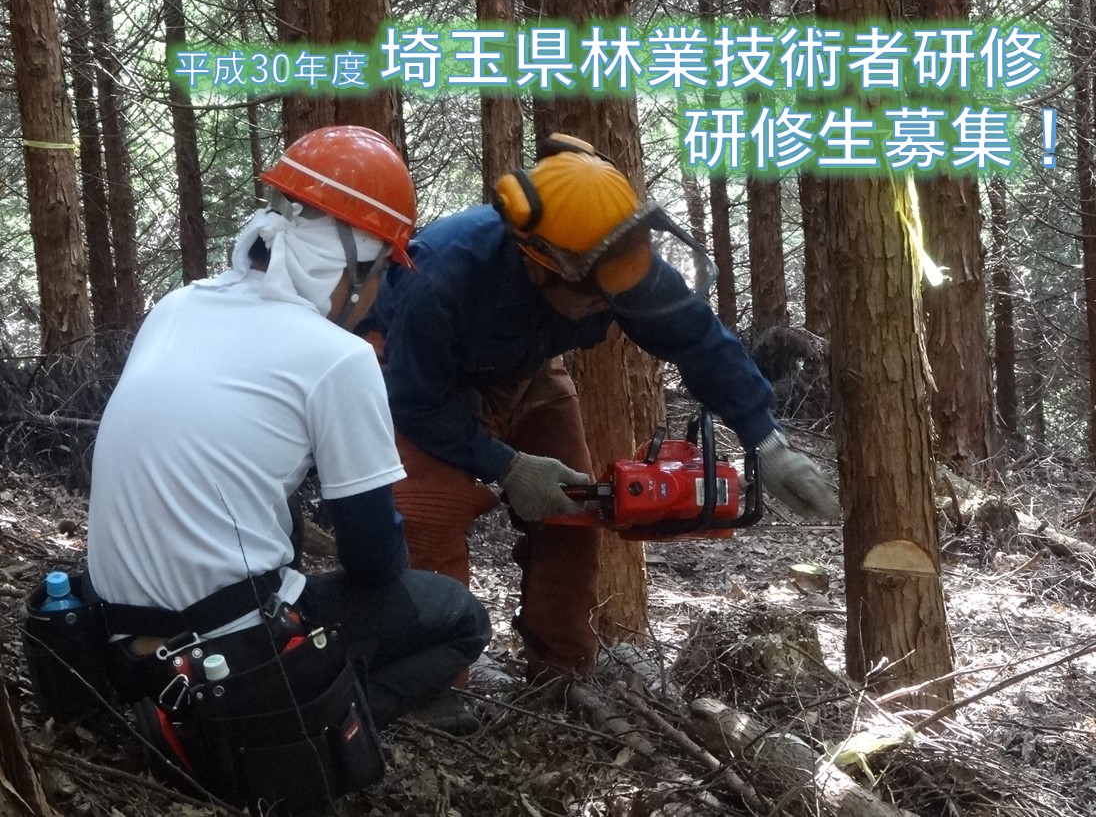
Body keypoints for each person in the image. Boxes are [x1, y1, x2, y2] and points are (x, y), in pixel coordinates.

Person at [85, 126, 491, 807]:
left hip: (116, 639)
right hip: (227, 659)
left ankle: (188, 701)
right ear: (353, 264)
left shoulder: (176, 307)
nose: (381, 292)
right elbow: (374, 563)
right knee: (458, 616)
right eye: (384, 270)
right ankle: (308, 719)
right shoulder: (338, 358)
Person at [361, 133, 838, 684]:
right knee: (428, 524)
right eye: (596, 296)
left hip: (528, 368)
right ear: (541, 266)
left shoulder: (617, 261)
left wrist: (766, 440)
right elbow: (415, 399)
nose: (614, 304)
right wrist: (506, 466)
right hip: (416, 380)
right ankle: (435, 682)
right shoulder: (440, 278)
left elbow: (698, 339)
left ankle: (562, 670)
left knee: (574, 510)